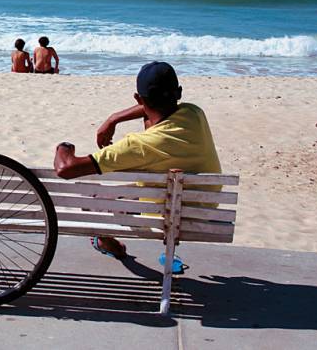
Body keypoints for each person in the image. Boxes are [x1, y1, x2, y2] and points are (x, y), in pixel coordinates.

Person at [52, 61, 221, 260]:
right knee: (151, 184)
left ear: (138, 98)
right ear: (179, 92)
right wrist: (114, 118)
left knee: (91, 199)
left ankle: (105, 242)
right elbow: (154, 108)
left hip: (162, 217)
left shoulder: (139, 145)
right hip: (202, 209)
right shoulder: (195, 113)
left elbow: (66, 169)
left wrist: (65, 147)